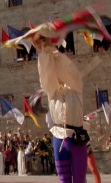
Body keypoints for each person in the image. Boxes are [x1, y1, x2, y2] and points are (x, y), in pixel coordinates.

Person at [35, 34, 88, 183]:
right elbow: (45, 76)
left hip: (77, 137)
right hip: (59, 137)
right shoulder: (53, 90)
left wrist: (54, 52)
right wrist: (44, 52)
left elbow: (69, 70)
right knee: (64, 179)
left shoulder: (76, 86)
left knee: (79, 179)